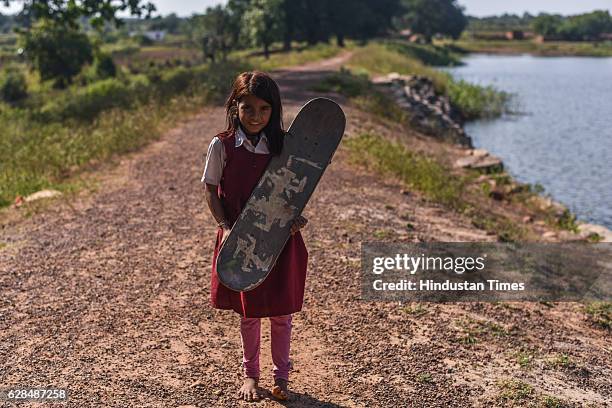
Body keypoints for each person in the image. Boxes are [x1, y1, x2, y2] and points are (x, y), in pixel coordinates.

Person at [201, 71, 308, 402]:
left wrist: (294, 219)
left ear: (274, 110)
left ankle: (282, 377)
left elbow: (293, 191)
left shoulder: (284, 146)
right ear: (235, 107)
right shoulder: (222, 145)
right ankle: (250, 374)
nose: (257, 116)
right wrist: (225, 226)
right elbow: (210, 188)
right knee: (248, 313)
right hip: (240, 240)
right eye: (248, 108)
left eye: (264, 109)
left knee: (280, 313)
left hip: (278, 241)